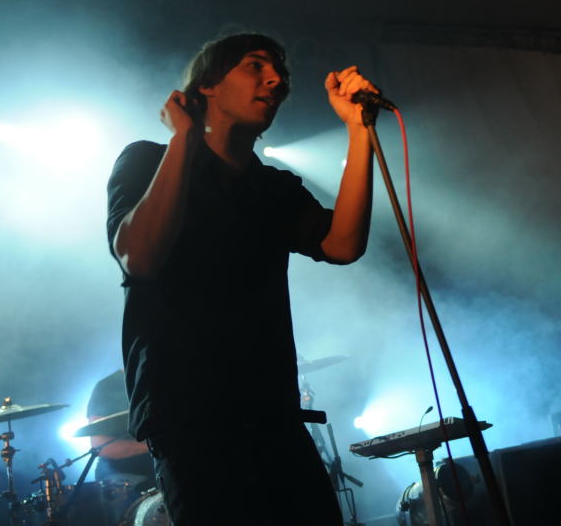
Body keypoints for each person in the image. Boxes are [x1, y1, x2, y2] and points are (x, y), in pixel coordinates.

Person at [106, 32, 376, 525]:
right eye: (255, 65)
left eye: (280, 74)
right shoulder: (146, 160)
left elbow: (343, 244)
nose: (276, 80)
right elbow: (138, 256)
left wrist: (359, 132)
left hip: (272, 411)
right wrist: (183, 140)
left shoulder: (273, 189)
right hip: (189, 415)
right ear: (207, 85)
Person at [86, 368, 155, 489]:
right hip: (123, 477)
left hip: (160, 470)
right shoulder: (106, 387)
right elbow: (102, 447)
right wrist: (154, 445)